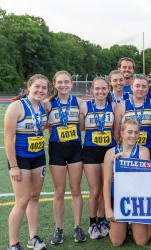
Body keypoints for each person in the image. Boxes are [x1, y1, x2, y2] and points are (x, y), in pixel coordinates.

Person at [5, 74, 49, 250]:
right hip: (20, 159)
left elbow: (43, 126)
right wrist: (14, 166)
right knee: (22, 200)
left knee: (35, 198)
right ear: (29, 86)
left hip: (38, 157)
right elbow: (8, 139)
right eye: (37, 86)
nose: (40, 90)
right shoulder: (17, 106)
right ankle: (13, 244)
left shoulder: (43, 107)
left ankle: (33, 238)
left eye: (44, 88)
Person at [43, 71, 86, 245]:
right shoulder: (47, 104)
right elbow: (43, 123)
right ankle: (58, 229)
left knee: (76, 190)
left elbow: (84, 125)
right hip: (56, 151)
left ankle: (77, 227)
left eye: (66, 82)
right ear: (54, 83)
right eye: (60, 82)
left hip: (75, 149)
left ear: (71, 84)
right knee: (59, 192)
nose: (63, 85)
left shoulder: (80, 103)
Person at [103, 119, 151, 247]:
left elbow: (144, 179)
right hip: (119, 200)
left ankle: (149, 222)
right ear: (122, 133)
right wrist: (108, 209)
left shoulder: (143, 151)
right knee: (116, 242)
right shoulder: (110, 153)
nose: (133, 135)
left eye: (136, 132)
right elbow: (107, 183)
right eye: (129, 132)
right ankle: (122, 225)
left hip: (137, 200)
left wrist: (126, 164)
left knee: (141, 242)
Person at [79, 77, 116, 239]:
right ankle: (92, 223)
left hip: (108, 151)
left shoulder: (113, 106)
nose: (100, 92)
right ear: (91, 90)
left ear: (108, 89)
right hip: (90, 152)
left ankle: (102, 221)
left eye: (103, 89)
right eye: (97, 89)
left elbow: (116, 131)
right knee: (94, 191)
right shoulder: (84, 106)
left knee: (104, 189)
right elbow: (81, 127)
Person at [114, 74, 151, 155]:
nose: (140, 89)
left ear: (148, 88)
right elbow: (117, 133)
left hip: (148, 149)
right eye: (137, 86)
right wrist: (119, 150)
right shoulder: (121, 106)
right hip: (127, 151)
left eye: (144, 86)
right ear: (132, 87)